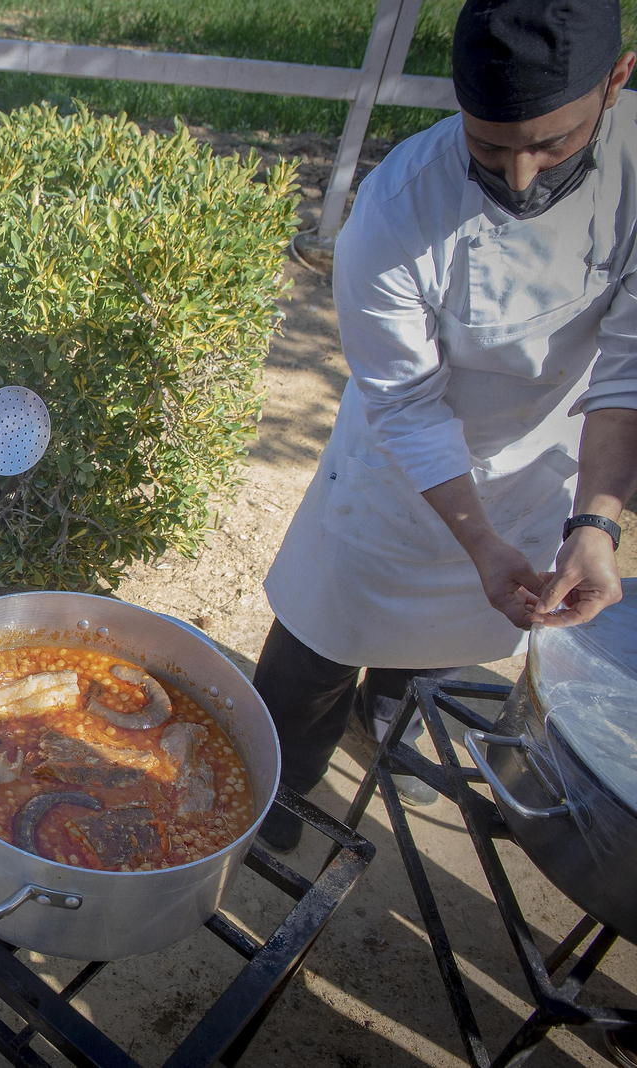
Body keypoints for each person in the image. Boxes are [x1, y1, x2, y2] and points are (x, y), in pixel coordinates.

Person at [257, 0, 637, 853]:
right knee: (325, 628)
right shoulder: (397, 205)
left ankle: (391, 710)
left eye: (554, 143)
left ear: (618, 80)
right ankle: (276, 777)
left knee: (460, 629)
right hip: (399, 467)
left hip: (542, 456)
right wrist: (478, 539)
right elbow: (405, 402)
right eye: (491, 148)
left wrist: (596, 522)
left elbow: (630, 369)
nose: (523, 178)